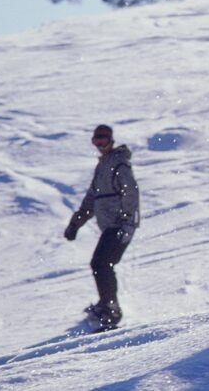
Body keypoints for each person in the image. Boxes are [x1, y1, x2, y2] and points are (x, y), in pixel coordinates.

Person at [64, 124, 140, 331]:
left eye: (104, 140)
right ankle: (107, 304)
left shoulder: (119, 163)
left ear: (111, 140)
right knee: (101, 263)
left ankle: (111, 309)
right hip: (111, 225)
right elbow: (91, 200)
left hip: (120, 224)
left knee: (101, 263)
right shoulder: (103, 166)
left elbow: (131, 192)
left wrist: (126, 219)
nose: (100, 145)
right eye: (97, 141)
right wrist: (75, 224)